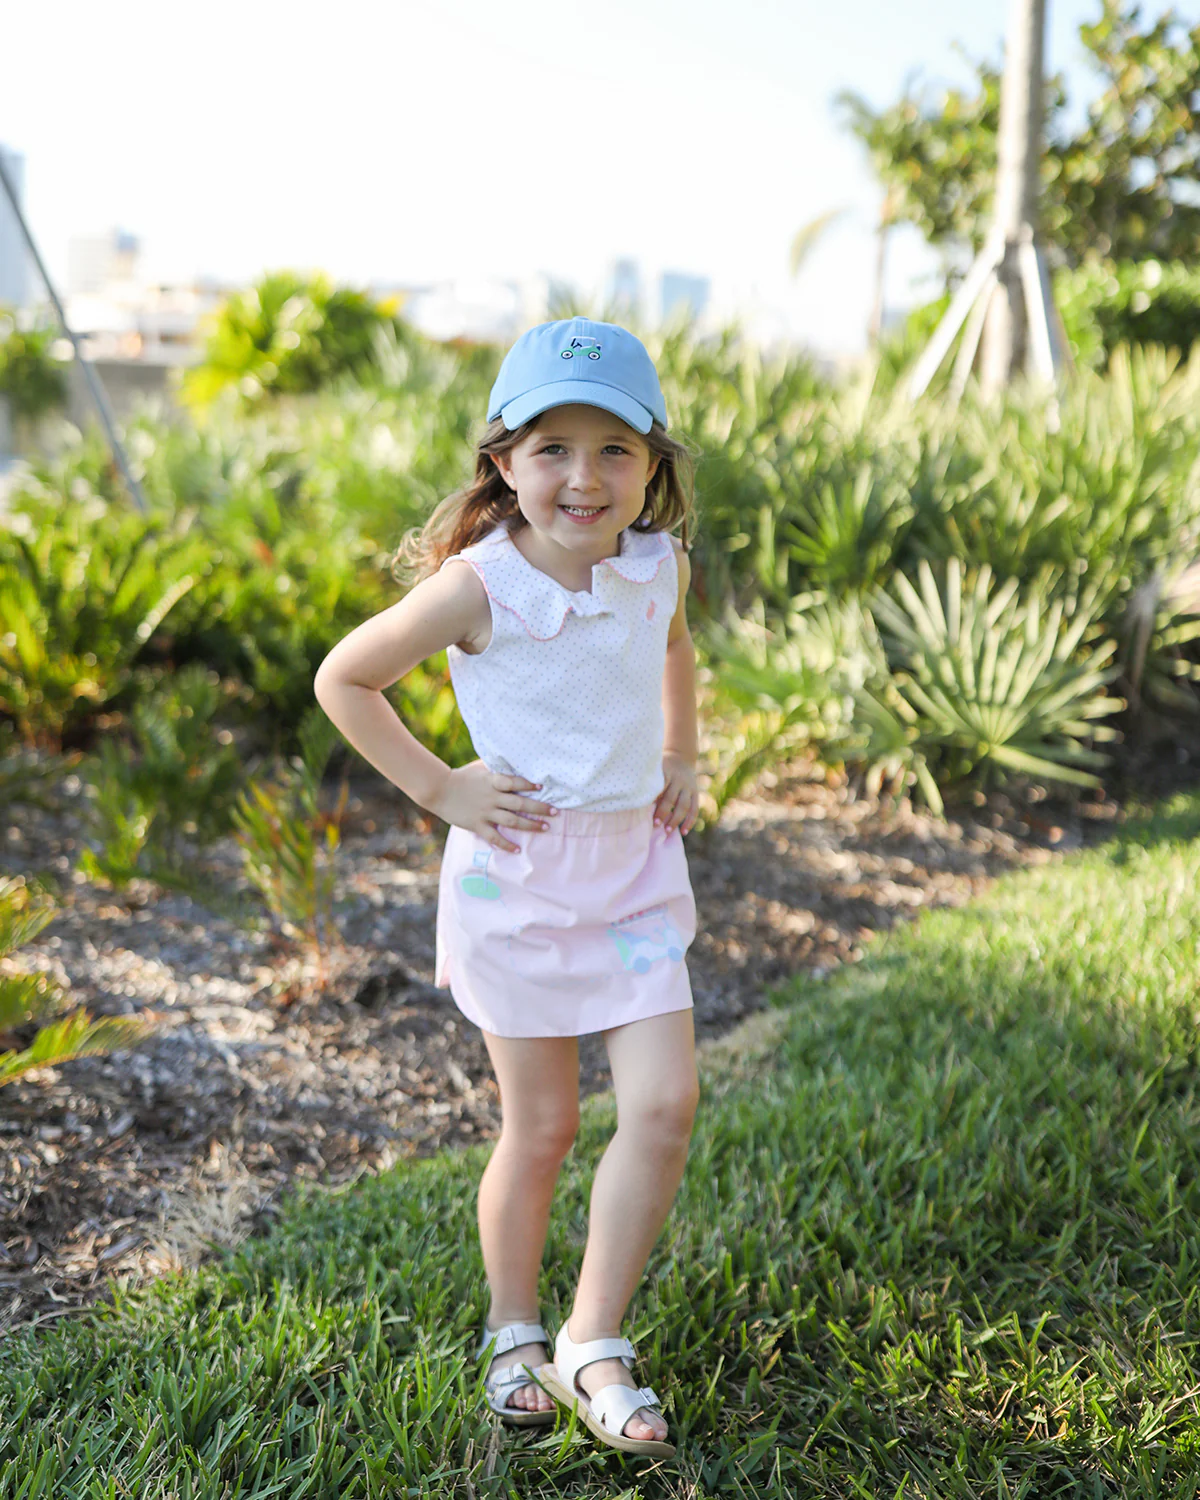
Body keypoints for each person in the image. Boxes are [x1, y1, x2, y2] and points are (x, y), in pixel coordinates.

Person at [313, 316, 701, 1459]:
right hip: (519, 886)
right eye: (552, 449)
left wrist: (684, 754)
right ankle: (513, 1326)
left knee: (666, 1106)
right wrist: (442, 790)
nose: (584, 478)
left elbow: (674, 648)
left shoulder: (655, 564)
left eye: (614, 451)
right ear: (503, 462)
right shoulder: (479, 587)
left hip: (632, 878)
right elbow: (348, 678)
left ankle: (593, 1337)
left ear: (652, 464)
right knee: (539, 1128)